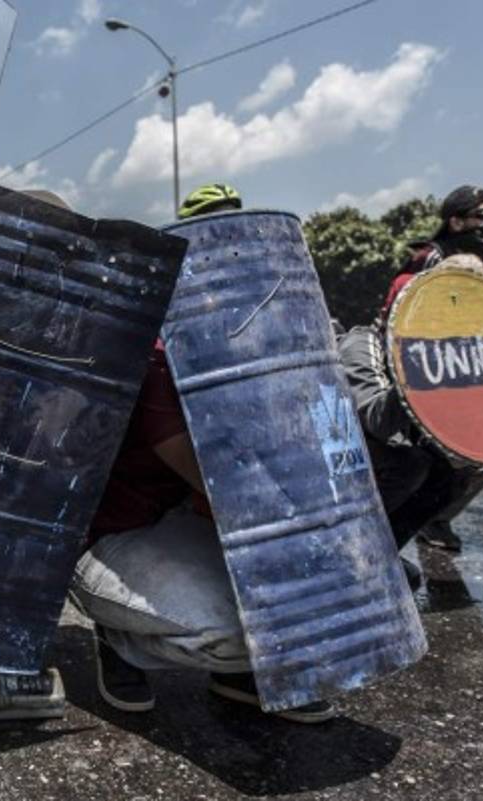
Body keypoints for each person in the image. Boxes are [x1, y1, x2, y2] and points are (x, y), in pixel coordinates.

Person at [68, 184, 335, 724]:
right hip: (121, 532)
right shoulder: (159, 351)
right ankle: (121, 634)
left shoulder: (255, 343)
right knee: (251, 626)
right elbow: (209, 471)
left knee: (306, 610)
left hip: (187, 523)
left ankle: (241, 671)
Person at [343, 185, 483, 564]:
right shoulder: (371, 338)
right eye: (482, 215)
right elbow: (378, 418)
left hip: (412, 416)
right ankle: (359, 555)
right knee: (413, 466)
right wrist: (421, 375)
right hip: (368, 440)